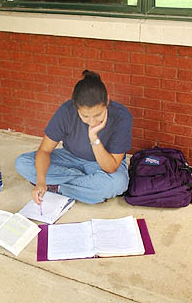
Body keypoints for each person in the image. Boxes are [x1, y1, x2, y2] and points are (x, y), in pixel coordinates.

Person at [15, 70, 133, 205]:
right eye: (85, 116)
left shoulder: (122, 116)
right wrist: (41, 183)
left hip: (101, 164)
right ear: (76, 108)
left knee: (118, 183)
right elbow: (44, 151)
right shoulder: (66, 111)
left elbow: (110, 168)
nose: (92, 122)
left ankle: (58, 186)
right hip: (70, 157)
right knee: (22, 163)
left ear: (107, 100)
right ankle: (84, 186)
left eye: (98, 115)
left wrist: (93, 137)